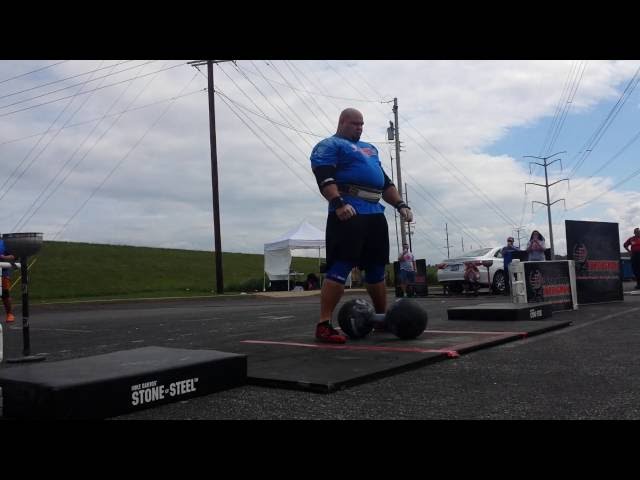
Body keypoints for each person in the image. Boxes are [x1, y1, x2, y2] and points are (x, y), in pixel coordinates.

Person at [310, 108, 413, 343]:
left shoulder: (370, 149)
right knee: (341, 264)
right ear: (342, 122)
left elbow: (385, 182)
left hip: (375, 212)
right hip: (349, 210)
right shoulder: (329, 145)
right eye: (355, 124)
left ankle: (381, 319)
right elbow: (324, 176)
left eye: (362, 124)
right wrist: (338, 203)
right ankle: (324, 324)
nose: (359, 127)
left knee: (376, 268)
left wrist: (400, 205)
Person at [0, 236, 16, 323]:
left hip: (3, 273)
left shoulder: (5, 243)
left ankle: (9, 314)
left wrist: (3, 257)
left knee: (5, 294)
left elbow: (14, 256)